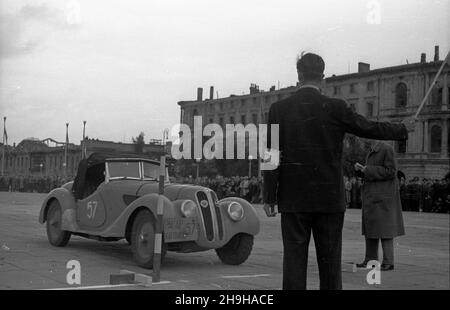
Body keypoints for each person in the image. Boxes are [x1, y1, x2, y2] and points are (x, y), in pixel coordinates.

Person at [263, 52, 416, 290]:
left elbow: (270, 154)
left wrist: (269, 195)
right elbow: (368, 127)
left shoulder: (278, 109)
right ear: (322, 77)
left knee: (293, 265)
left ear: (299, 75)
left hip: (293, 199)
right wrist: (402, 129)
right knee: (331, 266)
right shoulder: (335, 107)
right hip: (329, 199)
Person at [354, 140, 405, 271]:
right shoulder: (372, 150)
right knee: (371, 230)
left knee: (385, 231)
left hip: (383, 198)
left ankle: (388, 262)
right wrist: (361, 171)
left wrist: (368, 169)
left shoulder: (386, 149)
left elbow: (391, 171)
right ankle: (370, 260)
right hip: (373, 196)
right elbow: (374, 173)